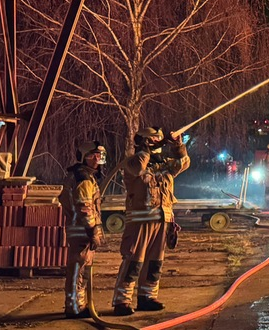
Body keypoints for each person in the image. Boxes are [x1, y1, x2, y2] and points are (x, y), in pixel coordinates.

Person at [112, 130, 189, 316]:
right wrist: (147, 149)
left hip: (162, 220)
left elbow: (183, 163)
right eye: (155, 139)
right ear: (145, 142)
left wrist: (177, 145)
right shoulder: (133, 163)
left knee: (155, 263)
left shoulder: (164, 165)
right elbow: (138, 168)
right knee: (133, 262)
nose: (159, 142)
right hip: (140, 222)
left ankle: (147, 297)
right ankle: (122, 301)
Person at [59, 140, 106, 319]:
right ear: (84, 157)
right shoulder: (83, 179)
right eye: (93, 156)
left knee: (82, 269)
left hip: (81, 228)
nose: (97, 160)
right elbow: (85, 206)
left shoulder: (84, 176)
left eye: (99, 156)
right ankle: (73, 307)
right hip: (82, 230)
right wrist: (92, 229)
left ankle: (78, 304)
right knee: (78, 268)